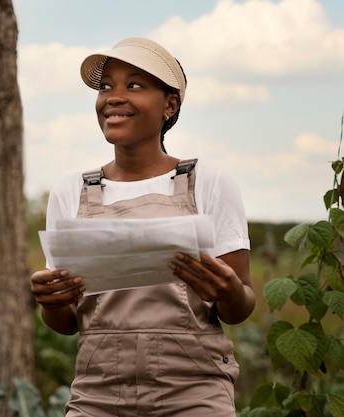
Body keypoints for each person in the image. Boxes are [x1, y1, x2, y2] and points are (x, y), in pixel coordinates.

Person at [30, 37, 255, 417]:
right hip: (97, 396)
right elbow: (67, 323)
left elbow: (239, 307)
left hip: (194, 393)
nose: (113, 97)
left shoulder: (208, 181)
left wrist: (230, 290)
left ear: (170, 105)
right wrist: (50, 303)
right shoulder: (72, 191)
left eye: (134, 84)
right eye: (105, 86)